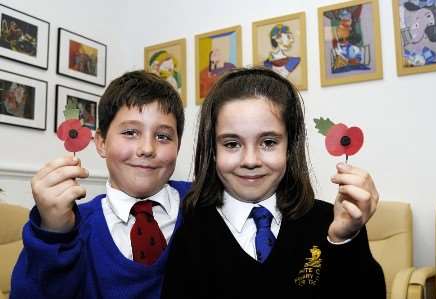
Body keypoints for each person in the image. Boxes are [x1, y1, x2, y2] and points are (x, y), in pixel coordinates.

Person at [161, 67, 386, 298]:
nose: (250, 161)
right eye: (231, 144)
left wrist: (344, 241)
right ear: (213, 151)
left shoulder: (330, 223)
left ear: (290, 147)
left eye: (268, 142)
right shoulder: (190, 233)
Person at [11, 70, 190, 299]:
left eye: (163, 136)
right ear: (101, 143)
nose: (147, 148)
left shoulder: (203, 203)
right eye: (130, 132)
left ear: (178, 145)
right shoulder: (73, 227)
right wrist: (53, 233)